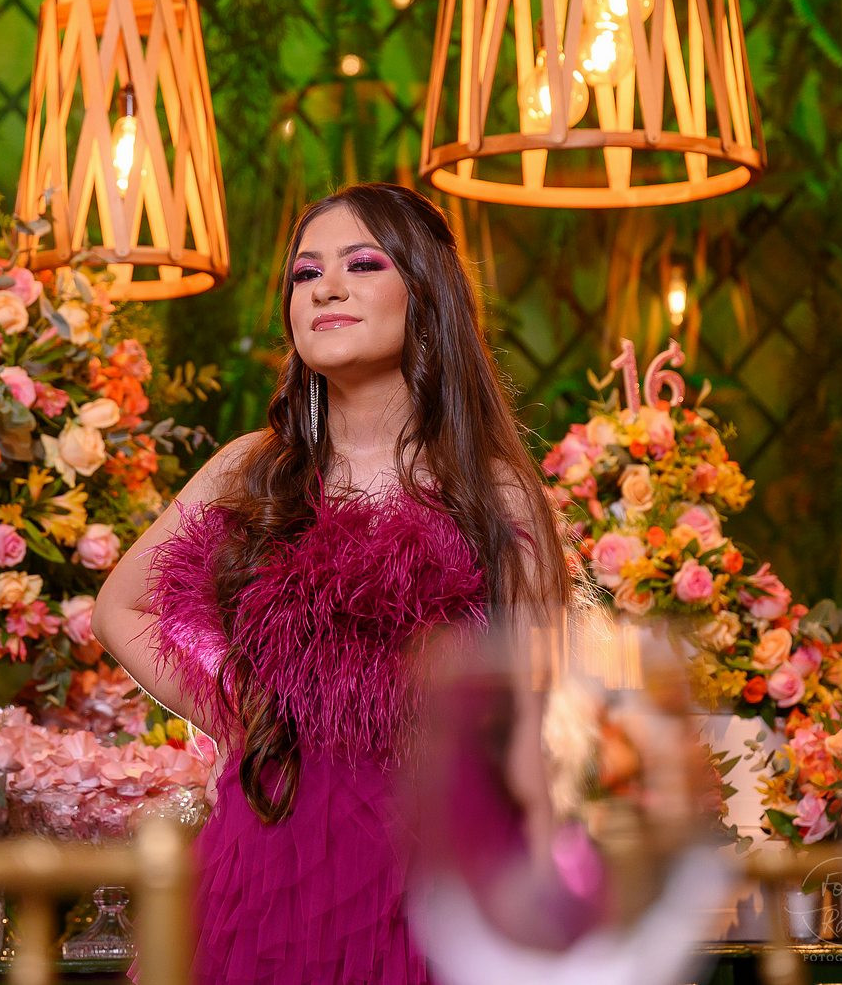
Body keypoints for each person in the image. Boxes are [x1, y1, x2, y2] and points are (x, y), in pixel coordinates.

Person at [93, 182, 573, 985]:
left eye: (362, 264)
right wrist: (242, 712)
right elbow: (120, 607)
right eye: (305, 274)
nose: (326, 288)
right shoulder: (251, 468)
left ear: (425, 293)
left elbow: (531, 723)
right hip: (267, 848)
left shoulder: (495, 491)